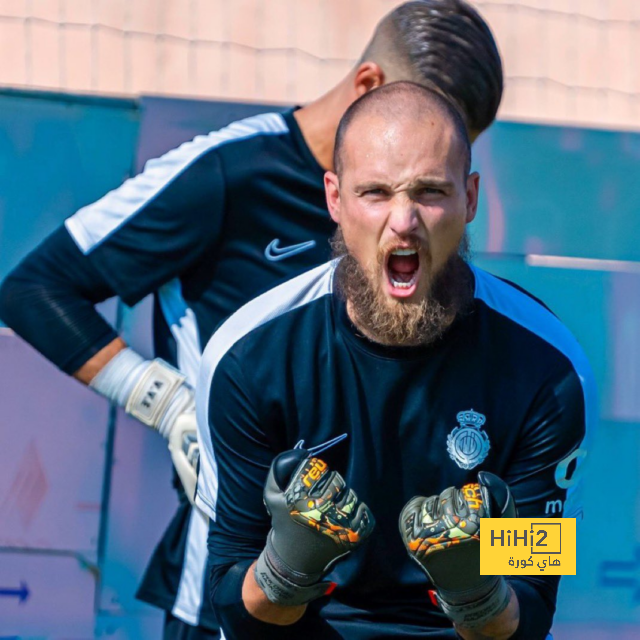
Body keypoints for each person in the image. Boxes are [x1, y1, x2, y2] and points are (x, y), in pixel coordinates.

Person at [0, 2, 504, 637]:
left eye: (446, 172)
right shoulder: (228, 173)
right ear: (371, 89)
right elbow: (35, 288)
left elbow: (541, 567)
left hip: (395, 606)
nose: (410, 215)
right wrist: (166, 402)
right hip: (235, 589)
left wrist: (487, 578)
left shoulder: (544, 359)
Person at [195, 82, 594, 639]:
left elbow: (530, 616)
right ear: (334, 199)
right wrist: (284, 573)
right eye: (376, 193)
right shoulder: (248, 355)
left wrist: (476, 592)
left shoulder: (548, 368)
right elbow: (230, 607)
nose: (403, 221)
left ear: (470, 198)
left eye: (429, 192)